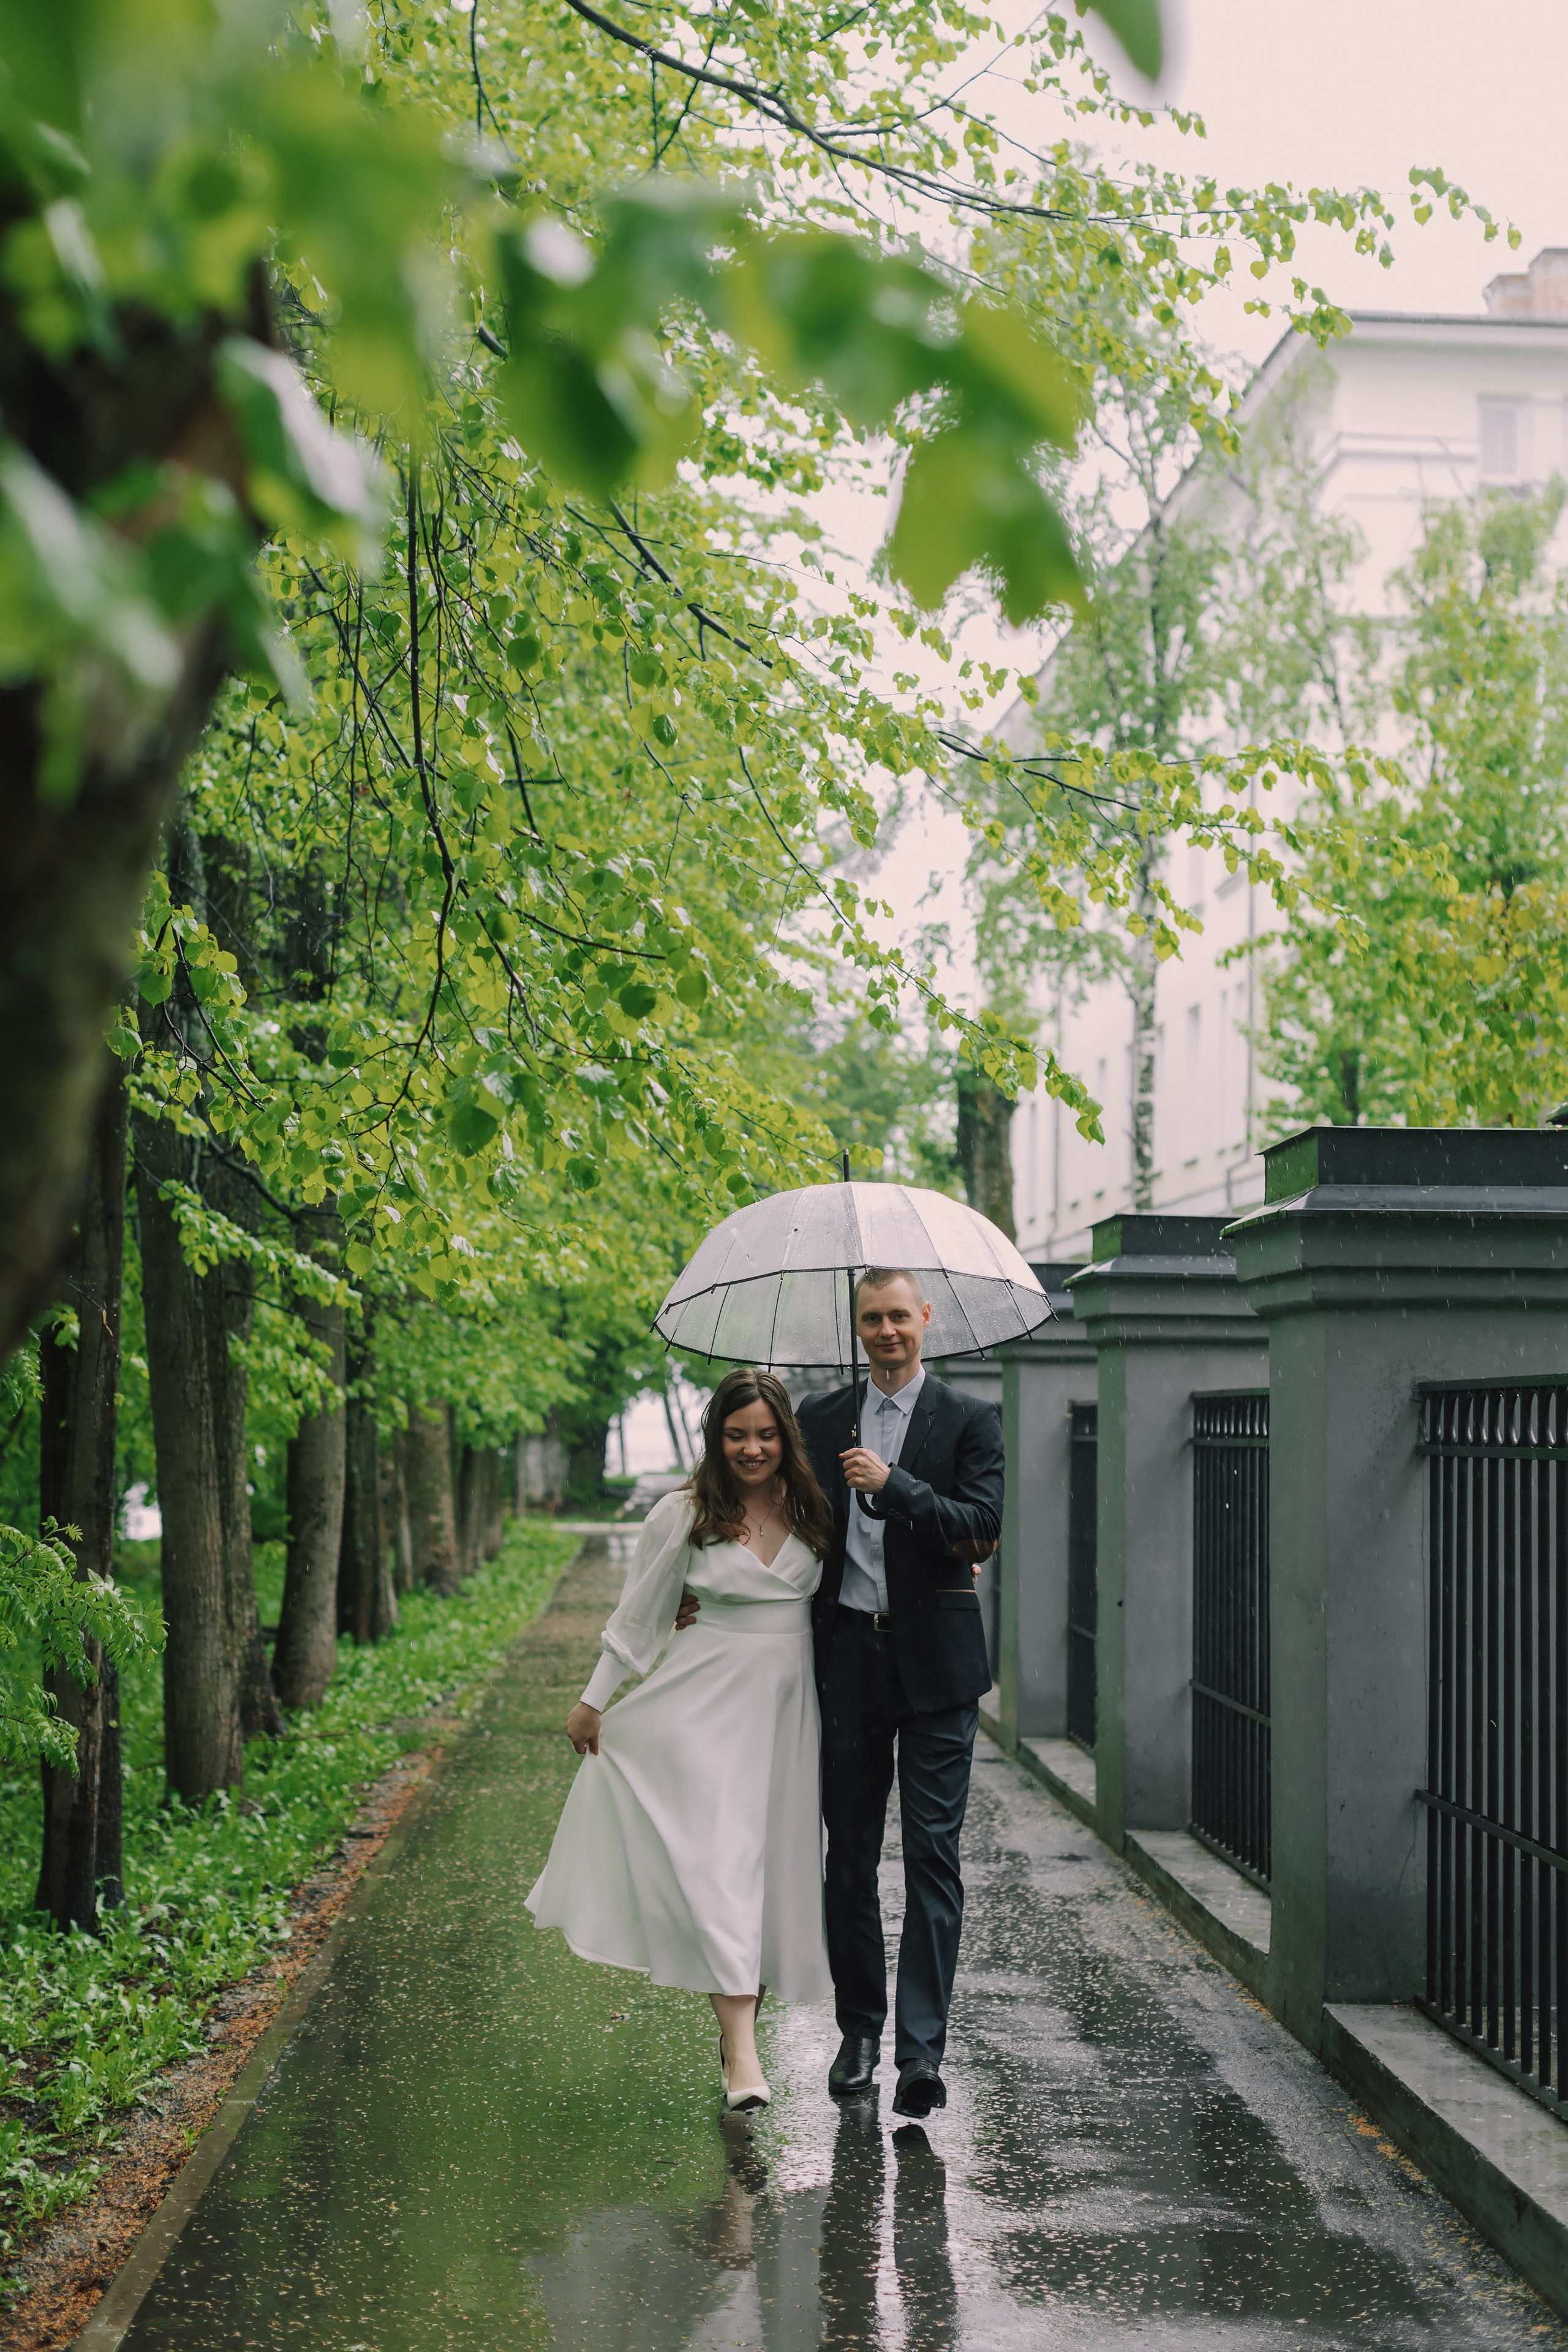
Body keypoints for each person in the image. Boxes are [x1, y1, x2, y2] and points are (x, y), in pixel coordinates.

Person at [526, 1366, 835, 2111]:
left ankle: (737, 2031)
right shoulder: (686, 1512)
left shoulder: (818, 1507)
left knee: (767, 1880)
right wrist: (593, 1700)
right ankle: (741, 2054)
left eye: (765, 1434)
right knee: (720, 1871)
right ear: (714, 1438)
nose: (751, 1449)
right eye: (736, 1435)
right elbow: (642, 1613)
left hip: (791, 1715)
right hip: (702, 1708)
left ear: (785, 1436)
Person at [798, 1267, 1004, 2120]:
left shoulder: (969, 1420)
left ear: (925, 1319)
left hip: (938, 1669)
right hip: (846, 1657)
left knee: (932, 1857)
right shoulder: (817, 1420)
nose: (887, 1331)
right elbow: (775, 1519)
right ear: (857, 1327)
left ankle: (921, 2054)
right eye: (871, 1319)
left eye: (899, 1317)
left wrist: (899, 1489)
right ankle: (860, 2033)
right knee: (847, 1858)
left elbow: (982, 1528)